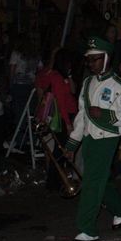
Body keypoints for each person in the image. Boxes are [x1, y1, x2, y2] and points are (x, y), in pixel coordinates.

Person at [64, 38, 121, 241]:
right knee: (99, 180)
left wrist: (105, 114)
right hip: (89, 137)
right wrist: (72, 144)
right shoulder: (88, 83)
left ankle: (87, 228)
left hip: (107, 138)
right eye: (88, 60)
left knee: (92, 182)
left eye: (95, 60)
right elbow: (82, 115)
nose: (91, 64)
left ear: (107, 58)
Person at [36, 48, 79, 192]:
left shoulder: (61, 76)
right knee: (60, 151)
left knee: (60, 151)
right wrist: (67, 124)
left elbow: (72, 91)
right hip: (63, 118)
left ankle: (56, 182)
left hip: (66, 116)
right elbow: (61, 103)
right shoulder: (57, 78)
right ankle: (55, 183)